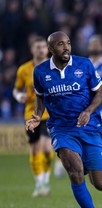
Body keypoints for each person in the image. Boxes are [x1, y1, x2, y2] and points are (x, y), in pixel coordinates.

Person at [26, 31, 102, 208]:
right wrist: (37, 115)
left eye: (69, 43)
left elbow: (100, 93)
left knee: (101, 184)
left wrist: (88, 111)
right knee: (75, 172)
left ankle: (87, 163)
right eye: (61, 44)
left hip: (89, 127)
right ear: (51, 49)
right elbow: (40, 97)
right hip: (61, 129)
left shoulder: (85, 65)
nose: (66, 47)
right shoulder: (40, 72)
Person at [13, 36, 53, 197]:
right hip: (31, 113)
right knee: (35, 149)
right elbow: (16, 89)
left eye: (43, 47)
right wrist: (18, 97)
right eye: (37, 47)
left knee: (46, 147)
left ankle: (45, 181)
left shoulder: (53, 66)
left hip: (50, 114)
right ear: (32, 50)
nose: (41, 49)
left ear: (47, 49)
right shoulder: (24, 70)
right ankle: (38, 183)